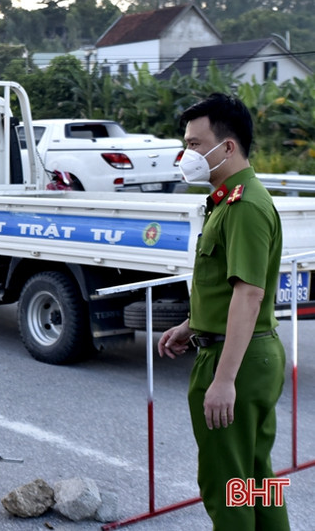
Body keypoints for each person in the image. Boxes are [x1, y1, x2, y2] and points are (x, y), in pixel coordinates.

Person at [158, 93, 289, 530]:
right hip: (250, 353)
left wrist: (224, 380)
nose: (187, 155)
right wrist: (190, 324)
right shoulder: (229, 199)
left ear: (227, 147)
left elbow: (248, 295)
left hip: (236, 360)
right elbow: (225, 288)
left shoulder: (245, 205)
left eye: (195, 144)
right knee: (254, 476)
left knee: (226, 483)